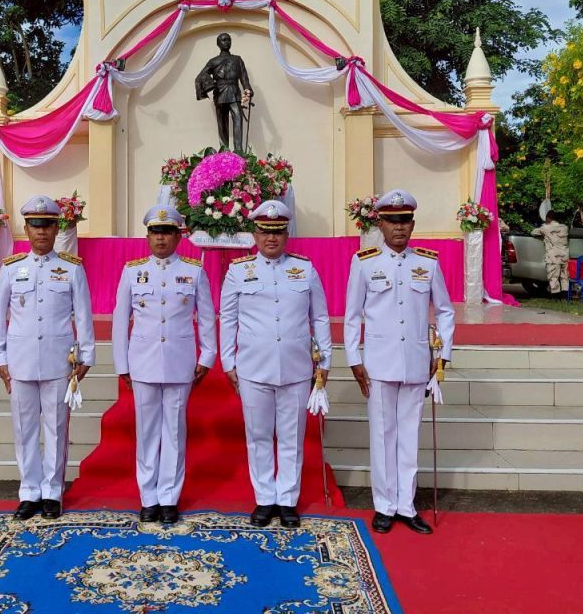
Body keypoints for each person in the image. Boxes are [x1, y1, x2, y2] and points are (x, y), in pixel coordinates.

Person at [344, 188, 455, 535]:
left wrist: (442, 356)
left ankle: (406, 506)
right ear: (380, 223)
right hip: (378, 362)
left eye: (405, 221)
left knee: (409, 435)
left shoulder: (428, 262)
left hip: (416, 362)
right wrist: (353, 359)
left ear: (412, 223)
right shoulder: (364, 262)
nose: (399, 228)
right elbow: (351, 317)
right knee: (382, 434)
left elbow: (446, 311)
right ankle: (384, 506)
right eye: (392, 221)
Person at [220, 200, 332, 528]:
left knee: (291, 436)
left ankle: (287, 499)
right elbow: (227, 318)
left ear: (286, 234)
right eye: (265, 232)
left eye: (278, 232)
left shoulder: (305, 269)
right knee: (257, 434)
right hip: (254, 367)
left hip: (296, 368)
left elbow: (320, 316)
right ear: (254, 234)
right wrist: (229, 360)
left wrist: (324, 359)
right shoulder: (238, 271)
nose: (272, 239)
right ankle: (264, 498)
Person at [0, 195, 95, 520]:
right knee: (24, 430)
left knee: (57, 429)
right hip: (20, 361)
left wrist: (86, 355)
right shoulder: (11, 269)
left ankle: (52, 492)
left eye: (47, 225)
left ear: (56, 227)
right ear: (26, 228)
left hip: (58, 361)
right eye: (35, 225)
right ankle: (29, 491)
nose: (41, 232)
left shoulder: (71, 269)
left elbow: (84, 316)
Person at [112, 204, 216, 525]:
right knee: (146, 431)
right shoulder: (132, 271)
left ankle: (169, 497)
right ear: (148, 236)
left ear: (178, 236)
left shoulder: (193, 271)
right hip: (142, 362)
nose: (161, 239)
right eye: (156, 232)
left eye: (167, 232)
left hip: (179, 362)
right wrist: (122, 364)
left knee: (174, 430)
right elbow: (119, 320)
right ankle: (148, 497)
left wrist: (207, 356)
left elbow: (208, 318)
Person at [194, 32, 254, 152]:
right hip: (220, 94)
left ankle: (239, 152)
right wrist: (210, 85)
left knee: (238, 121)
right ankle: (224, 152)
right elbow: (200, 76)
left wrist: (248, 89)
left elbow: (244, 77)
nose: (226, 42)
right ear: (218, 43)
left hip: (234, 93)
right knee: (222, 125)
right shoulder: (213, 61)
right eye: (223, 40)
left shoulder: (237, 59)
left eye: (228, 40)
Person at [531, 210, 569, 296]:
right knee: (565, 276)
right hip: (564, 255)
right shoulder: (565, 227)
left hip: (553, 256)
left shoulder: (545, 228)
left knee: (553, 276)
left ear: (548, 218)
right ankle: (565, 295)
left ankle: (556, 296)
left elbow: (533, 232)